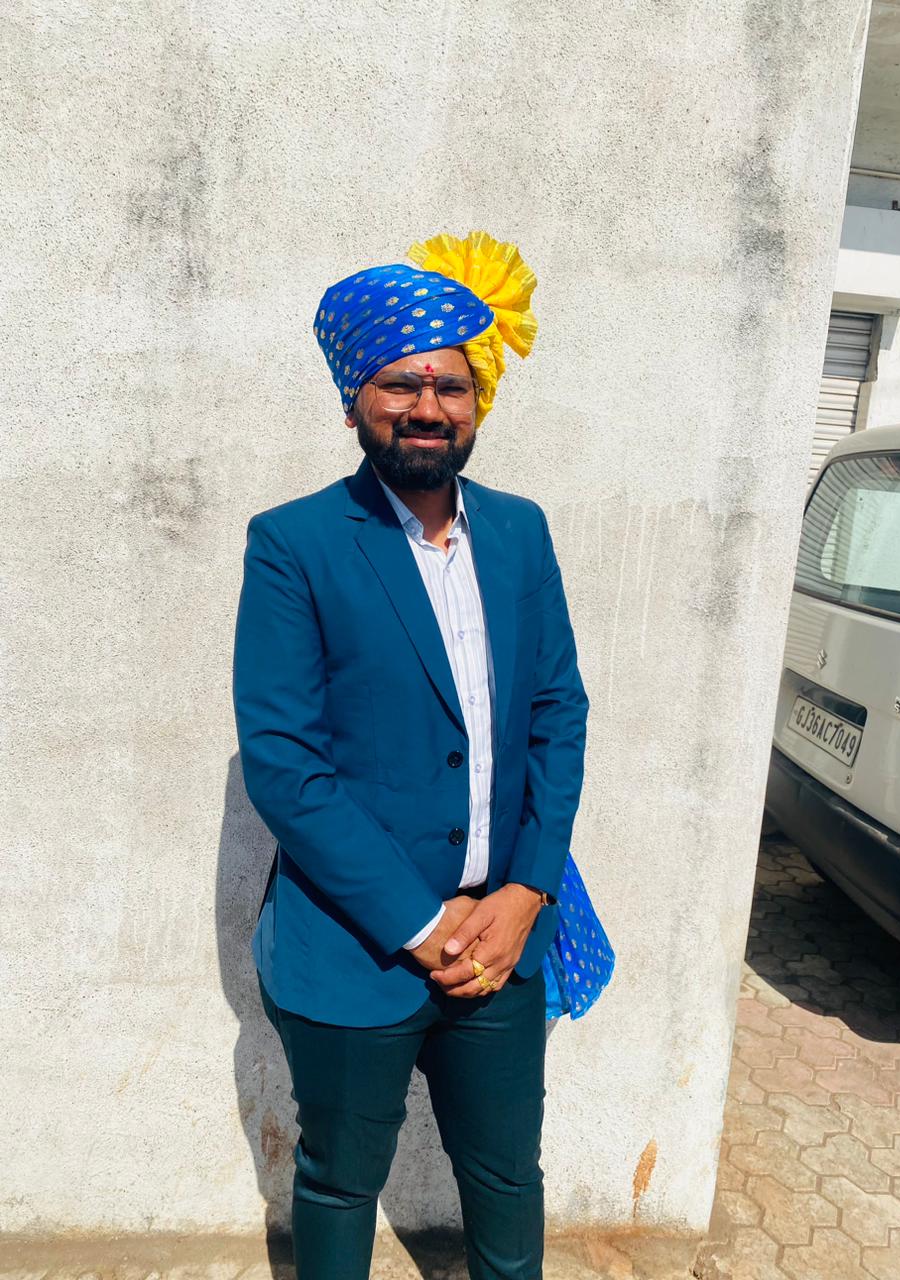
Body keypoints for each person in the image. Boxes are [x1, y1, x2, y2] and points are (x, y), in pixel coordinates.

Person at [233, 231, 589, 1280]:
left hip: (505, 937)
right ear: (354, 402)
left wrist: (525, 891)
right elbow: (286, 762)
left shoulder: (520, 532)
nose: (429, 405)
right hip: (355, 944)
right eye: (401, 382)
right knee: (341, 1182)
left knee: (508, 1177)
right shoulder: (294, 542)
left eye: (451, 385)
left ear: (478, 403)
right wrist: (424, 925)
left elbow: (558, 713)